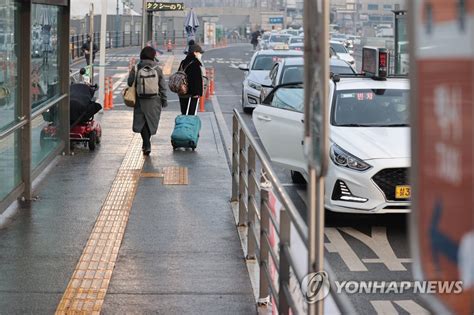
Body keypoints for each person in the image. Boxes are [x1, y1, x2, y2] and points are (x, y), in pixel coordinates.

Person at [127, 46, 168, 156]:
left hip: (140, 99)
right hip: (155, 100)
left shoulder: (136, 68)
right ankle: (147, 143)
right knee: (150, 121)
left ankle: (146, 144)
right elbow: (163, 86)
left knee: (141, 122)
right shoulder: (157, 69)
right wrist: (164, 100)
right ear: (153, 56)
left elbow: (130, 82)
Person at [178, 43, 204, 116]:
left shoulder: (183, 62)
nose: (200, 54)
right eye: (199, 52)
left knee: (184, 113)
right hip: (192, 94)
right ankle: (189, 127)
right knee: (191, 115)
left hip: (182, 91)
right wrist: (197, 93)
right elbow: (197, 80)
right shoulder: (195, 63)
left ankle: (183, 126)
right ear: (195, 52)